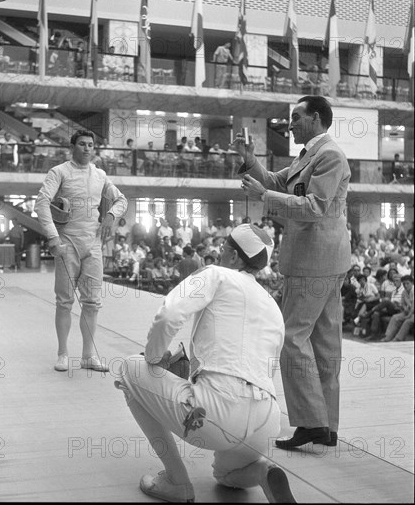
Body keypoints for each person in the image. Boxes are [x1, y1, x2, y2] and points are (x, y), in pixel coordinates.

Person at [115, 224, 296, 503]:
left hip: (218, 410)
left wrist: (153, 359)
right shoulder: (272, 305)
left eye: (223, 250)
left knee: (129, 370)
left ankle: (177, 481)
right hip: (266, 419)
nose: (218, 254)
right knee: (225, 476)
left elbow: (169, 314)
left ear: (234, 258)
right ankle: (263, 471)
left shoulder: (216, 274)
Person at [236, 95, 351, 449]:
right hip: (325, 261)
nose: (291, 124)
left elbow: (314, 207)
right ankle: (326, 426)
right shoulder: (309, 155)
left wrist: (265, 196)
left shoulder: (329, 155)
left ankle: (310, 423)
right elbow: (275, 180)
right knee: (324, 343)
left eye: (297, 117)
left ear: (315, 118)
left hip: (313, 261)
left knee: (291, 338)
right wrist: (251, 161)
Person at [34, 130, 127, 372]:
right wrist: (53, 236)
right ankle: (63, 353)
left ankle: (88, 356)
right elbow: (42, 203)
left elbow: (121, 201)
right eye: (82, 144)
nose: (87, 148)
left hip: (93, 243)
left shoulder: (100, 175)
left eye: (91, 145)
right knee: (64, 301)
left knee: (92, 302)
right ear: (73, 147)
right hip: (67, 242)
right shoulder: (59, 172)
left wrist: (110, 216)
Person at [381, 275, 414, 341]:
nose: (406, 285)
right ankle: (388, 337)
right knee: (395, 317)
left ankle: (398, 338)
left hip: (412, 312)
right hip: (408, 311)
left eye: (408, 283)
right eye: (404, 284)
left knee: (407, 321)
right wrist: (404, 308)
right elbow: (403, 304)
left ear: (412, 283)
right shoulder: (404, 292)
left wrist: (408, 316)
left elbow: (413, 306)